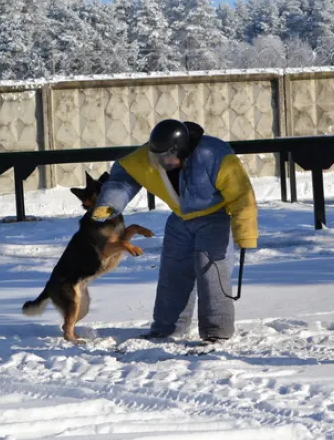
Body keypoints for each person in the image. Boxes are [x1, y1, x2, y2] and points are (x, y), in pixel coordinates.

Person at [91, 119, 258, 342]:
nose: (162, 162)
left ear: (180, 149)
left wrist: (245, 233)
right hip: (180, 221)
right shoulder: (150, 156)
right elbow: (124, 175)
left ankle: (217, 333)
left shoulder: (214, 155)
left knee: (212, 273)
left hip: (214, 219)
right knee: (172, 275)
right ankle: (167, 329)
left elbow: (242, 195)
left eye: (167, 156)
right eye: (157, 156)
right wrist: (110, 203)